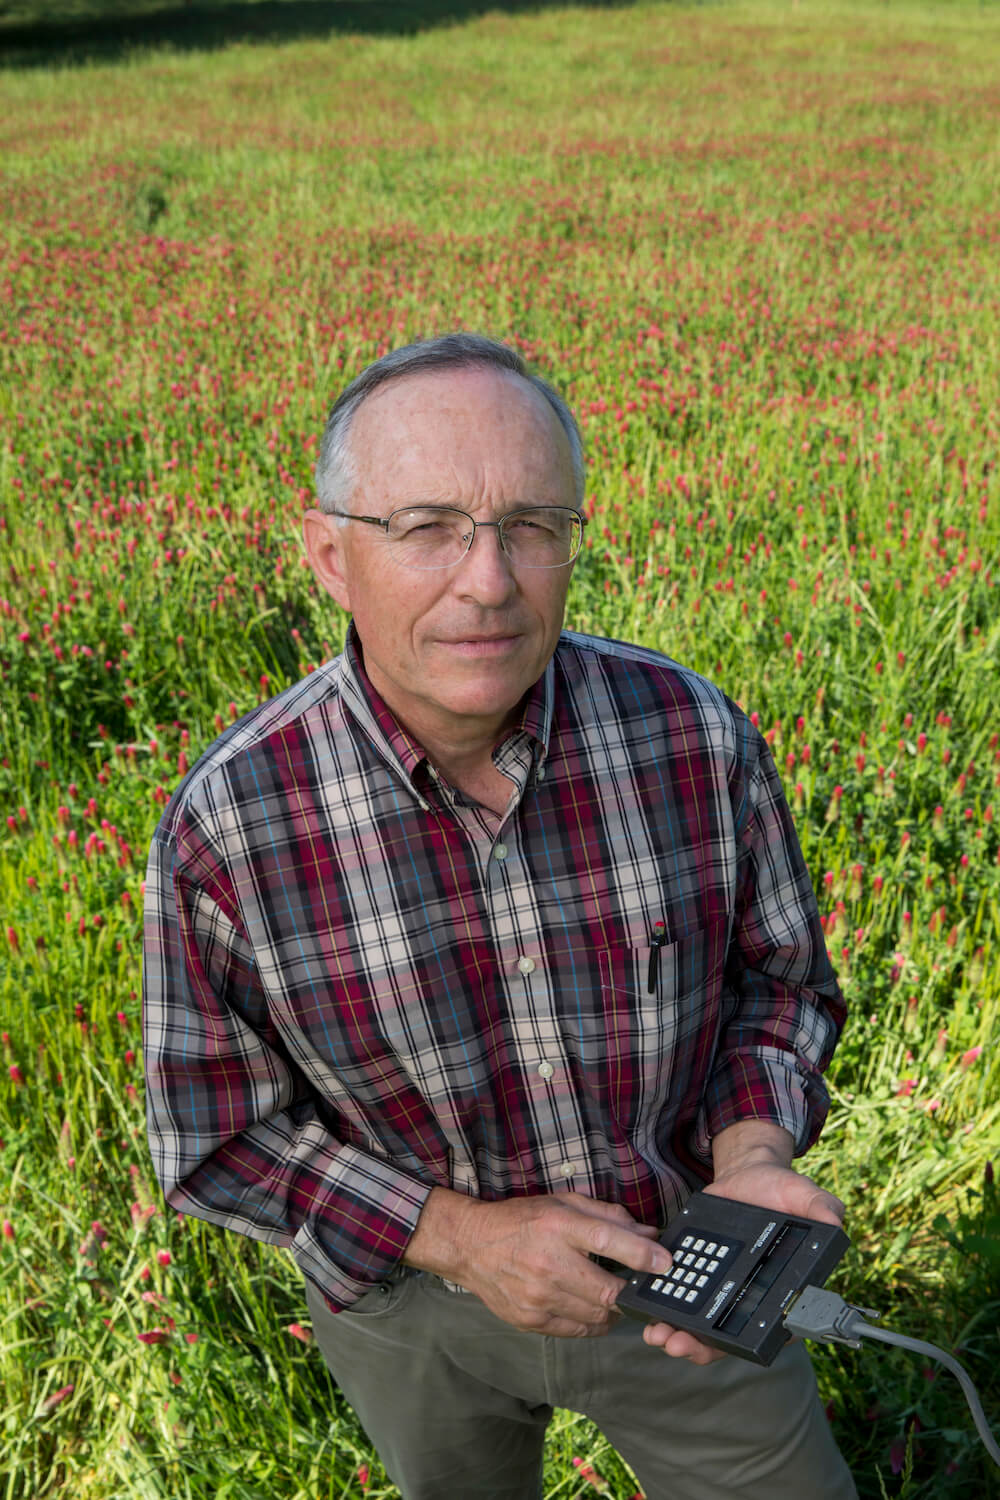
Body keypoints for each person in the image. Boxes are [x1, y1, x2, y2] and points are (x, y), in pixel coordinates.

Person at [143, 333, 858, 1500]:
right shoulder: (234, 823)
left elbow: (774, 987)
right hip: (412, 1309)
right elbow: (215, 1134)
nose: (488, 581)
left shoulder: (688, 734)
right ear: (329, 555)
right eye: (425, 527)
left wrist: (752, 1157)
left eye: (531, 525)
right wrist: (460, 1238)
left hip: (687, 1268)